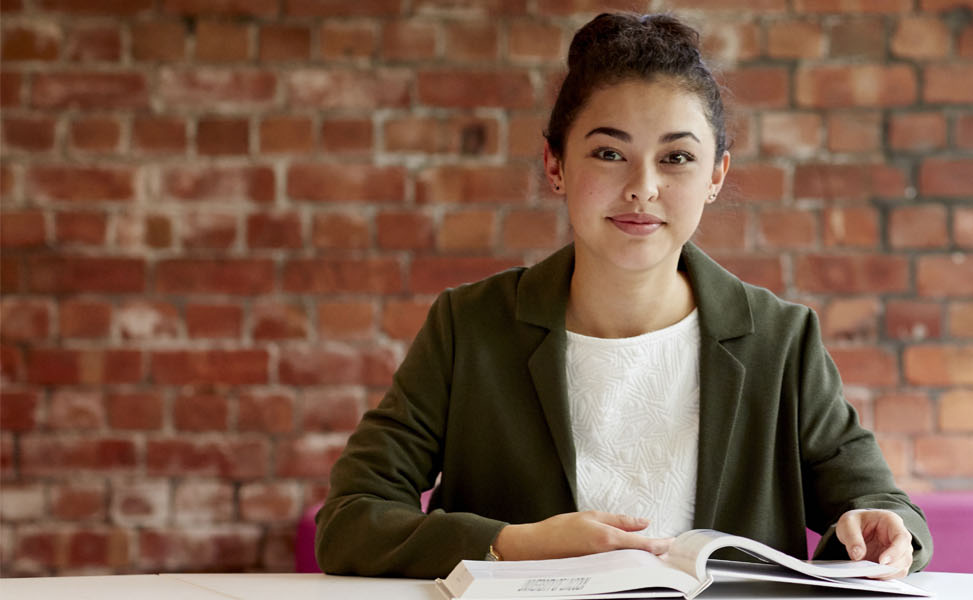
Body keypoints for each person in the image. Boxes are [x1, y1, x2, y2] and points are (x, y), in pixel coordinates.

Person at [314, 12, 932, 581]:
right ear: (555, 164)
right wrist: (515, 543)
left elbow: (882, 507)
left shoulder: (781, 339)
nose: (643, 188)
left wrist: (883, 529)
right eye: (609, 153)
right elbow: (350, 521)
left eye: (677, 158)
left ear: (716, 175)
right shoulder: (469, 326)